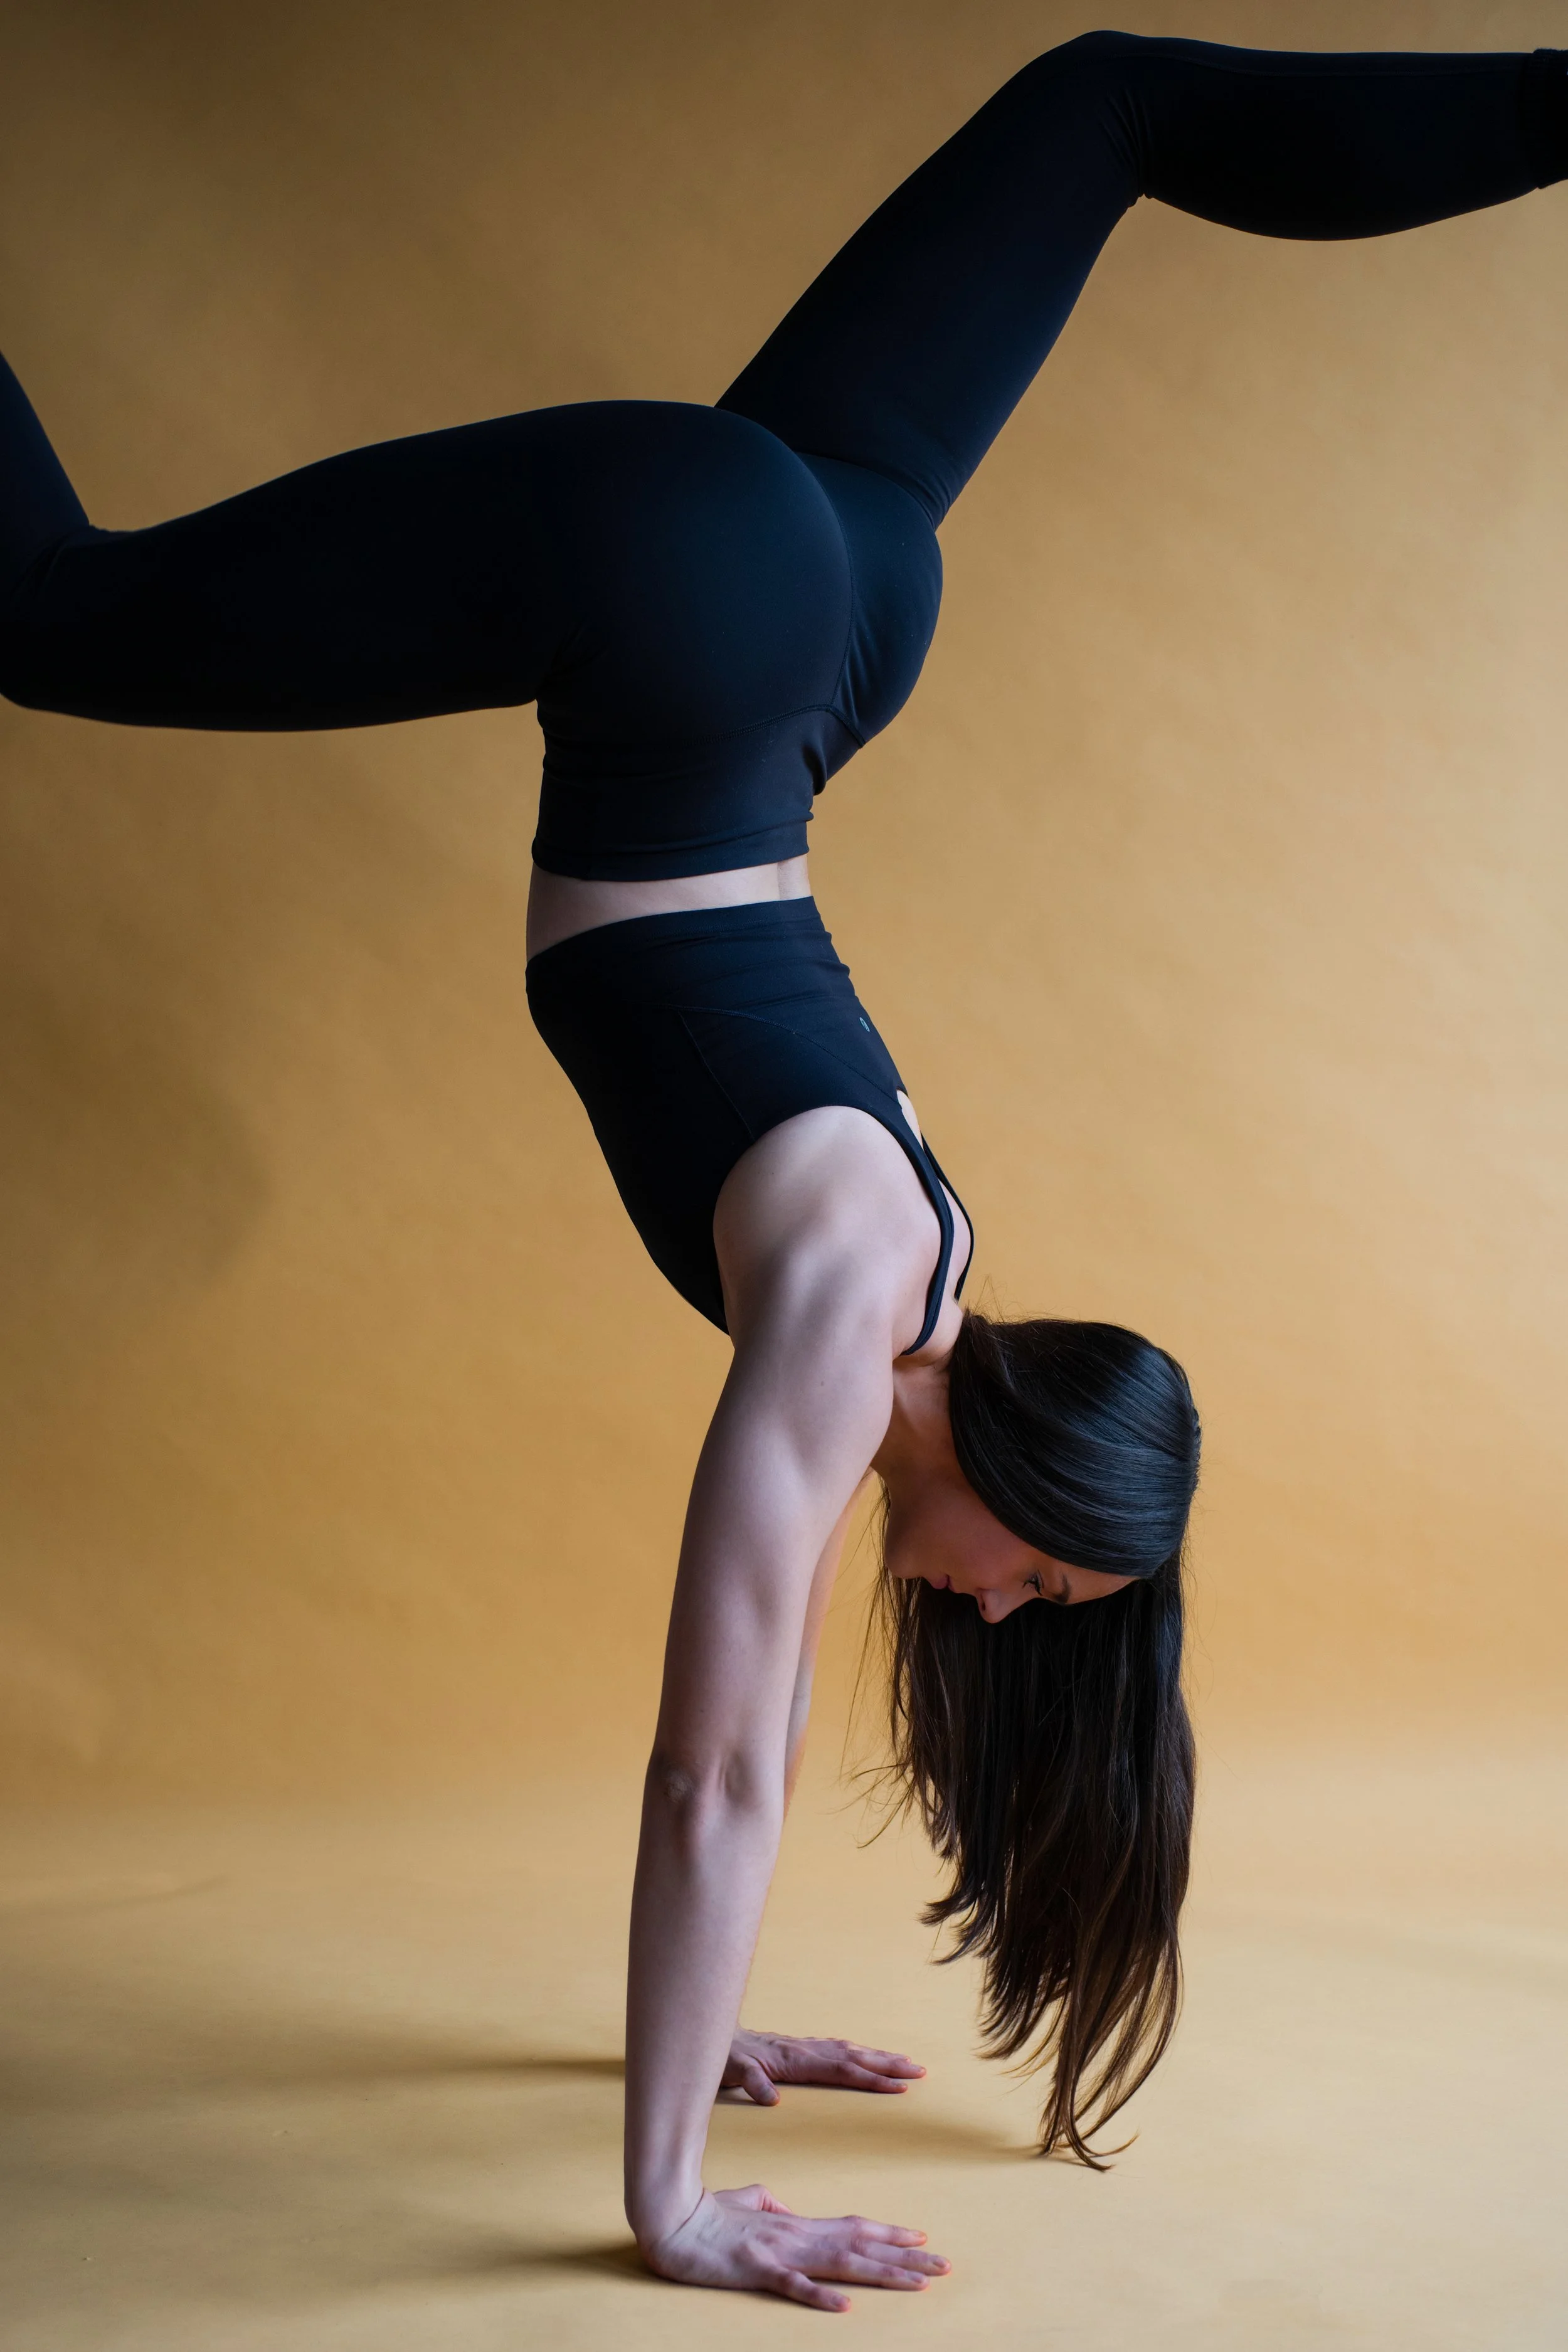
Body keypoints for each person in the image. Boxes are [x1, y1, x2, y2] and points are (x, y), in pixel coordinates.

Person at [2, 29, 1562, 2311]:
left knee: (1114, 101)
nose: (979, 1605)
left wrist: (704, 2025)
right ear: (1020, 1464)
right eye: (1036, 1585)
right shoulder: (847, 1313)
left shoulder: (926, 1248)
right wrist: (669, 2198)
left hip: (829, 601)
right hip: (679, 608)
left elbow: (723, 1793)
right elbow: (707, 1778)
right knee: (48, 615)